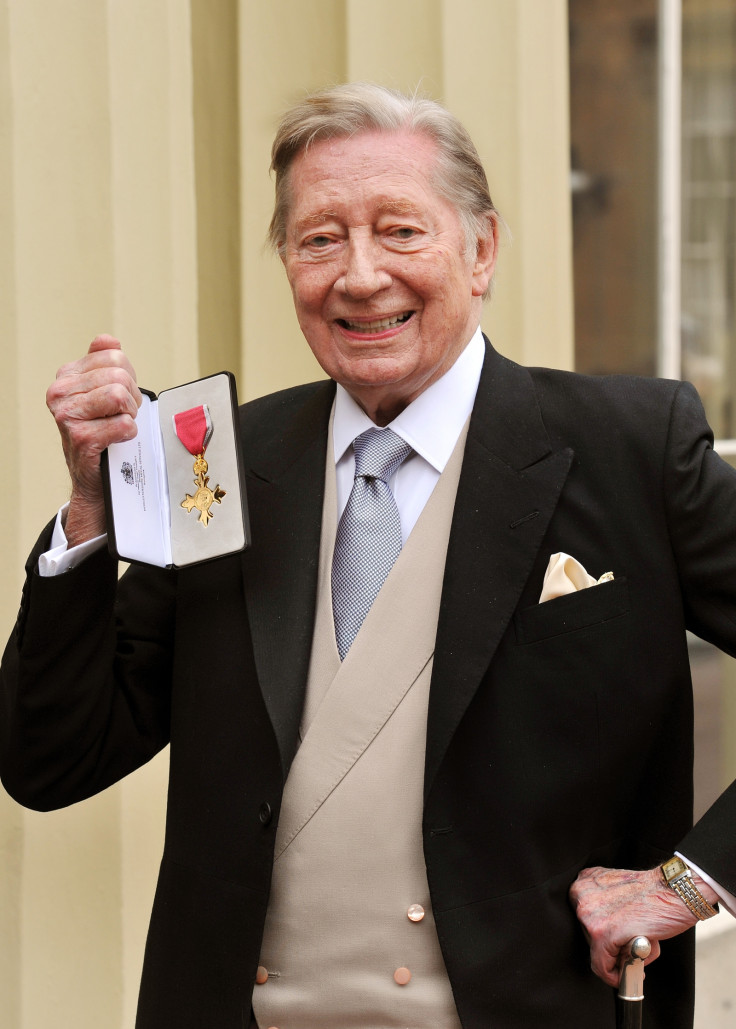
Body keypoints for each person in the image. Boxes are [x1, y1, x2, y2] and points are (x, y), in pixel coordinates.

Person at [1, 82, 735, 1029]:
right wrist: (91, 514)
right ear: (287, 263)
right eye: (319, 240)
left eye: (400, 231)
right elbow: (52, 760)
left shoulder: (634, 448)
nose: (358, 276)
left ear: (481, 251)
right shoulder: (220, 463)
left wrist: (693, 878)